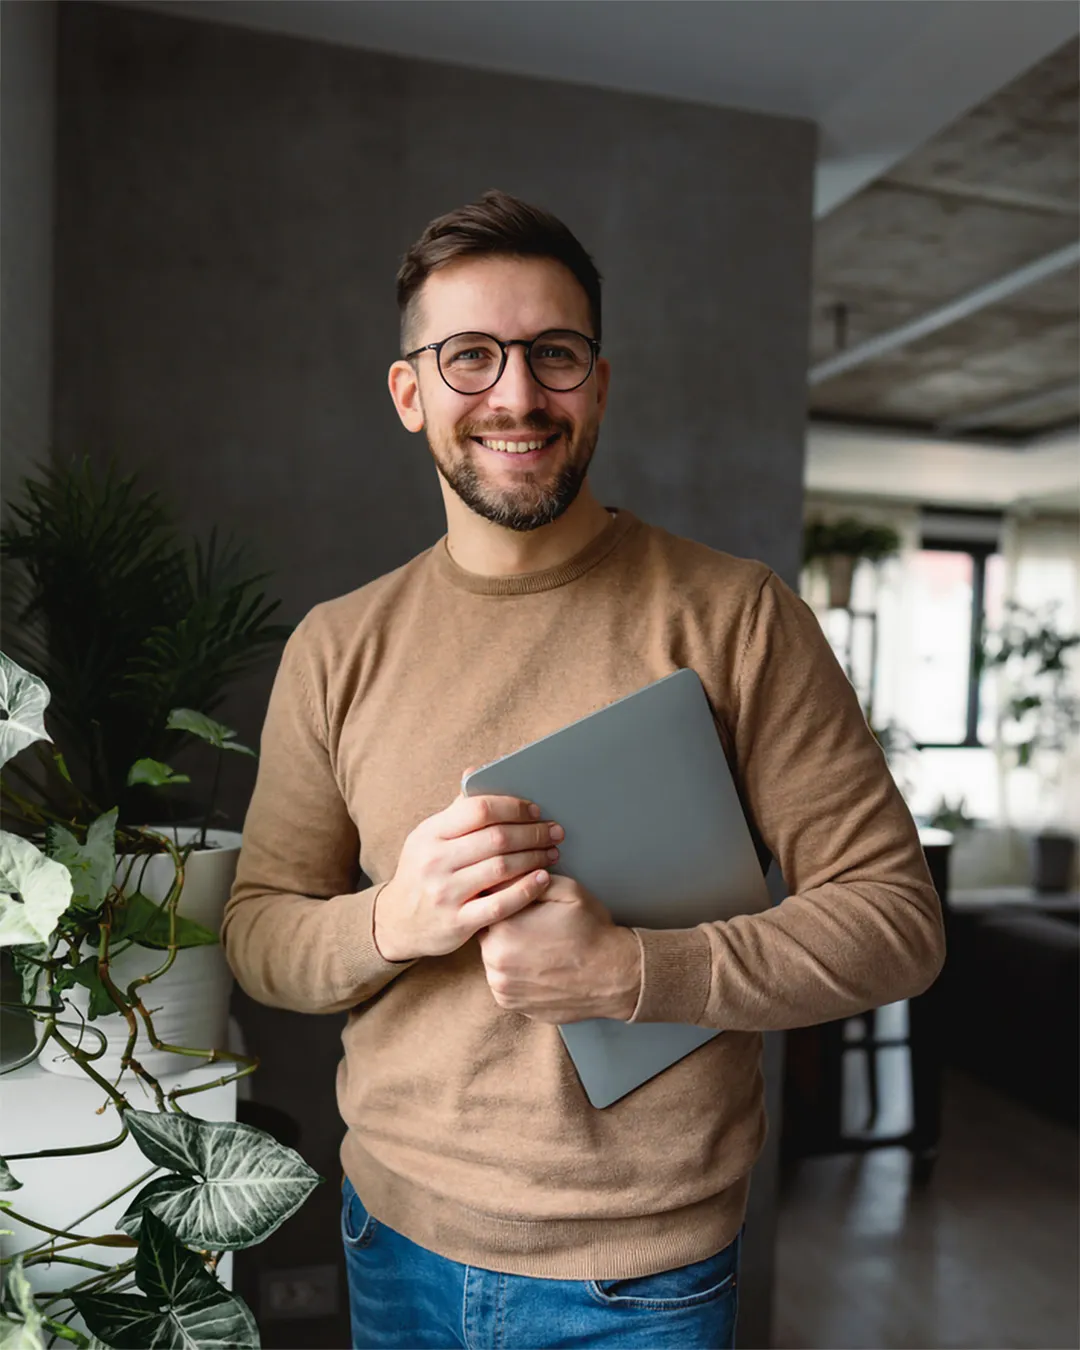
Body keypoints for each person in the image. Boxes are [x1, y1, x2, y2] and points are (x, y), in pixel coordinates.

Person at [222, 189, 945, 1350]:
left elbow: (897, 924)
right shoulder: (337, 646)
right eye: (470, 358)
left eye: (553, 355)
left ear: (597, 383)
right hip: (392, 1238)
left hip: (641, 1282)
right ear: (410, 393)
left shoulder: (737, 618)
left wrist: (631, 974)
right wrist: (394, 921)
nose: (516, 394)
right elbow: (258, 935)